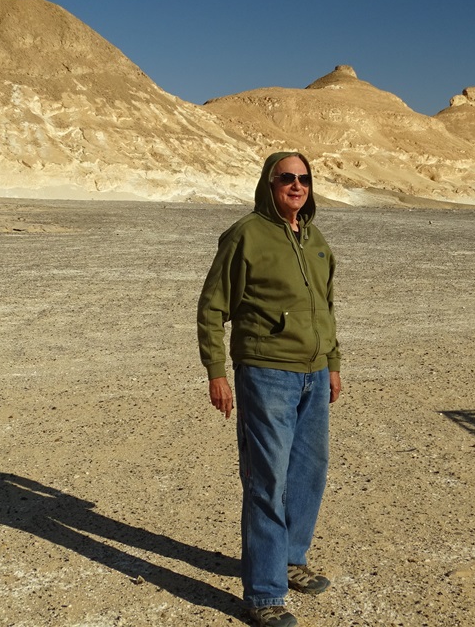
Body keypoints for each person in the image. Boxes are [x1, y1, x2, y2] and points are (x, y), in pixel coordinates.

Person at [197, 152, 342, 627]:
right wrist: (217, 371)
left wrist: (333, 364)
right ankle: (263, 593)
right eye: (287, 178)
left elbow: (326, 306)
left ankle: (290, 559)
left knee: (308, 472)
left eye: (304, 179)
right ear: (269, 183)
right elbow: (213, 306)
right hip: (265, 372)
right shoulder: (246, 235)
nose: (296, 186)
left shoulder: (315, 238)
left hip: (314, 374)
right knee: (268, 479)